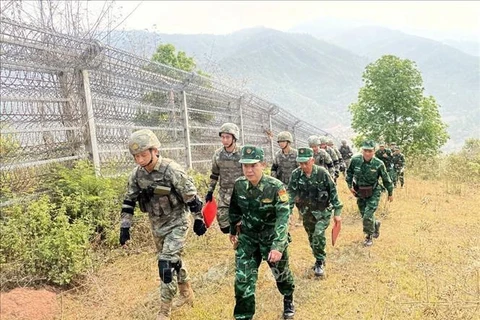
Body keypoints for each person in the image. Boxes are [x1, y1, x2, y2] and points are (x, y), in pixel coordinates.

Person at [119, 129, 207, 320]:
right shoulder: (136, 175)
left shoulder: (171, 170)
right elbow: (128, 202)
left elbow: (192, 198)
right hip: (157, 226)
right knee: (174, 261)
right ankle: (186, 294)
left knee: (165, 264)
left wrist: (199, 219)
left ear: (154, 150)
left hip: (177, 223)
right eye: (136, 156)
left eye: (143, 154)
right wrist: (125, 227)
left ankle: (164, 312)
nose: (140, 160)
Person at [229, 145, 295, 320]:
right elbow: (235, 210)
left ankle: (288, 297)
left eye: (253, 165)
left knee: (282, 276)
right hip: (248, 240)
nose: (249, 170)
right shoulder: (239, 185)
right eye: (245, 166)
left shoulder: (276, 187)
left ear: (263, 165)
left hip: (271, 239)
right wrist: (232, 231)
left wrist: (278, 246)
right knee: (243, 281)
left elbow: (283, 217)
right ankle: (243, 316)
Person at [288, 147, 343, 278]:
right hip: (306, 212)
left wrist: (337, 212)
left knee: (318, 234)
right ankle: (319, 257)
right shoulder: (296, 174)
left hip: (323, 211)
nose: (303, 166)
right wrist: (288, 211)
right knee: (312, 238)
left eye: (305, 163)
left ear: (312, 160)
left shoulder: (322, 173)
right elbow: (291, 193)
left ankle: (319, 262)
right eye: (300, 163)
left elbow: (333, 191)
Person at [346, 140, 393, 247]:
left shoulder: (378, 164)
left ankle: (368, 236)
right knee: (364, 215)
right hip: (360, 191)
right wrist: (350, 186)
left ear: (374, 152)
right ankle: (375, 224)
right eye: (365, 151)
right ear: (362, 150)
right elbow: (349, 173)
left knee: (367, 215)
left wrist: (390, 193)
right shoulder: (355, 160)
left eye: (370, 151)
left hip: (374, 191)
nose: (367, 153)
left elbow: (386, 179)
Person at [205, 123, 243, 234]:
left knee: (244, 222)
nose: (224, 140)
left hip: (241, 193)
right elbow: (214, 174)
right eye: (222, 137)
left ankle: (242, 241)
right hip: (224, 194)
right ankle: (236, 234)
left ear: (234, 138)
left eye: (227, 137)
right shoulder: (217, 154)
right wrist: (210, 191)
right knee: (224, 226)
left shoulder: (242, 154)